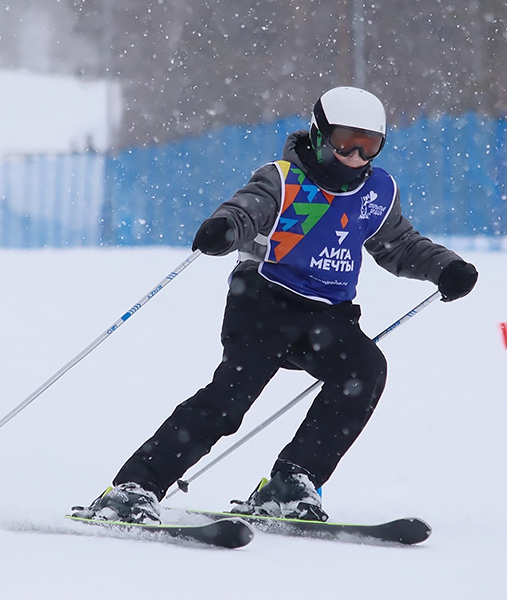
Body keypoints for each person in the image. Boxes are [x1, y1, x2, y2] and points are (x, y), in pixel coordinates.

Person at [72, 86, 478, 524]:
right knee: (229, 401)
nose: (356, 156)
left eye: (369, 145)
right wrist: (226, 227)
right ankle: (136, 486)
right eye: (345, 141)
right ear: (320, 135)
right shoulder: (284, 179)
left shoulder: (377, 192)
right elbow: (250, 209)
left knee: (364, 370)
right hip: (264, 303)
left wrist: (444, 268)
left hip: (327, 316)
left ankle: (292, 482)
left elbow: (399, 244)